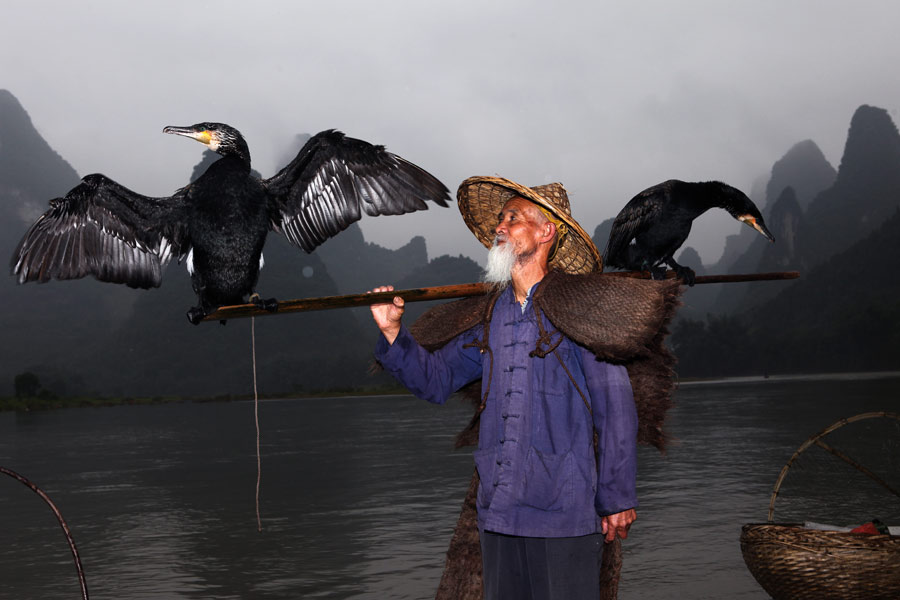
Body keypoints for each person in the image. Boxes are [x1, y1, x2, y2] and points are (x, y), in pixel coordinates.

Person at [369, 176, 638, 600]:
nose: (500, 226)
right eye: (500, 218)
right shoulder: (490, 319)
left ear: (545, 231)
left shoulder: (580, 313)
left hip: (562, 512)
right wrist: (392, 333)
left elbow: (615, 404)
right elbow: (436, 381)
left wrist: (618, 496)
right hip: (498, 513)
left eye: (513, 218)